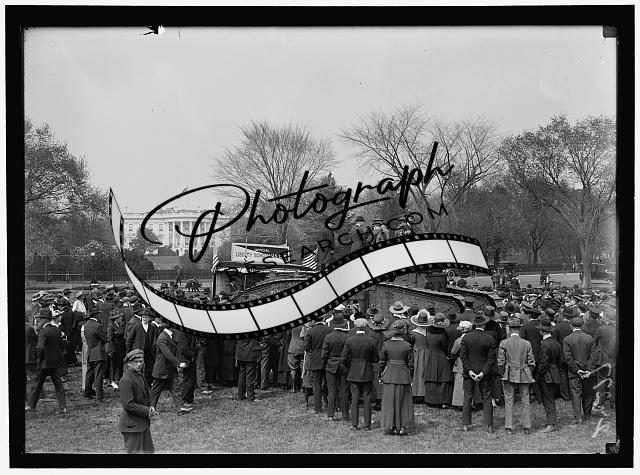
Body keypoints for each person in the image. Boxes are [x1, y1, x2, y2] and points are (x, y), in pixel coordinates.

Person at [497, 316, 535, 435]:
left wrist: (502, 373)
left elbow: (501, 362)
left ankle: (508, 427)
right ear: (519, 328)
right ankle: (527, 426)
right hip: (524, 373)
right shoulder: (526, 343)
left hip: (508, 373)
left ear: (509, 328)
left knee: (509, 400)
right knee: (525, 400)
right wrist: (528, 372)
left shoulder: (504, 343)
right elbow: (531, 362)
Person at [25, 309, 67, 414]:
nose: (38, 321)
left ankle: (31, 405)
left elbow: (40, 347)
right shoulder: (56, 330)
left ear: (44, 320)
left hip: (45, 363)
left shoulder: (43, 331)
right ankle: (63, 407)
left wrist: (39, 359)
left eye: (40, 319)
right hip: (56, 362)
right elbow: (62, 344)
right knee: (58, 385)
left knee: (37, 384)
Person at [460, 314, 496, 433]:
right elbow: (491, 359)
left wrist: (469, 371)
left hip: (469, 371)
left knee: (467, 397)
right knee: (487, 397)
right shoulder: (489, 339)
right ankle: (489, 425)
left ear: (475, 324)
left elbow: (463, 357)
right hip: (484, 372)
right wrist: (483, 373)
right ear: (484, 324)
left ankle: (465, 424)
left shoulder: (466, 338)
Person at [341, 318, 379, 430]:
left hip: (353, 372)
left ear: (355, 327)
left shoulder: (349, 340)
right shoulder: (371, 341)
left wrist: (351, 364)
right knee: (367, 398)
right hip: (367, 371)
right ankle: (367, 425)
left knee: (355, 399)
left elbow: (343, 358)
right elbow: (376, 359)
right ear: (366, 327)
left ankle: (354, 424)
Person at [150, 320, 193, 415]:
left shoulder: (168, 336)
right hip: (162, 369)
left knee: (175, 388)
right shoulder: (162, 338)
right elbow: (167, 354)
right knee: (156, 390)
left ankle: (179, 408)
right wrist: (178, 363)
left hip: (169, 368)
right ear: (171, 328)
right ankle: (151, 408)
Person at [379, 320, 415, 435]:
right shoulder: (407, 345)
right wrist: (411, 376)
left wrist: (380, 375)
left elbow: (382, 362)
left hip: (390, 375)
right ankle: (402, 426)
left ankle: (393, 425)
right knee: (404, 402)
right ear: (403, 332)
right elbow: (411, 364)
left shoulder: (386, 344)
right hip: (404, 375)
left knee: (390, 402)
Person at [118, 349, 155, 453]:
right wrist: (146, 410)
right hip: (132, 426)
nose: (139, 364)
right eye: (136, 362)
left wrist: (150, 405)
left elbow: (145, 394)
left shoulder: (139, 375)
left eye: (141, 361)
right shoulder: (126, 380)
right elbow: (128, 405)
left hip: (142, 424)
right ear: (128, 364)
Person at [562, 317, 595, 424]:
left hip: (574, 372)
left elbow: (568, 358)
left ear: (571, 326)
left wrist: (576, 370)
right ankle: (587, 415)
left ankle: (577, 418)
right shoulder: (589, 338)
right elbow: (594, 355)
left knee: (576, 394)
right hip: (587, 371)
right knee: (588, 393)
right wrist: (589, 369)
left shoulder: (567, 339)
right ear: (582, 325)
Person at [536, 316, 563, 433]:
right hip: (555, 372)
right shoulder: (556, 343)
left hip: (546, 375)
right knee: (550, 398)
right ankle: (551, 421)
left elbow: (543, 362)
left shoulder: (545, 344)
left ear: (542, 331)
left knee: (548, 400)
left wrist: (540, 373)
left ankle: (551, 423)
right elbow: (560, 360)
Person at [321, 318, 350, 421]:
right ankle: (345, 414)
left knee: (331, 391)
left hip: (331, 365)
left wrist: (325, 364)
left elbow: (324, 354)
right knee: (344, 391)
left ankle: (331, 414)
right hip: (343, 365)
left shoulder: (328, 337)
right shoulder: (347, 337)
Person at [423, 312, 454, 407]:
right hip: (440, 356)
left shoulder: (428, 331)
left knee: (431, 377)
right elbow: (445, 347)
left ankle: (430, 399)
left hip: (430, 356)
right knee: (443, 377)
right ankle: (441, 400)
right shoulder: (443, 334)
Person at [304, 316, 332, 413]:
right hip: (328, 359)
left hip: (315, 359)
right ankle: (329, 404)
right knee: (329, 383)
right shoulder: (329, 330)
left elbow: (306, 347)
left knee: (317, 385)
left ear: (314, 320)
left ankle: (318, 407)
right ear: (323, 319)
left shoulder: (311, 331)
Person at [83, 308, 107, 401]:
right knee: (98, 375)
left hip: (90, 352)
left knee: (89, 374)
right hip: (98, 353)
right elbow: (105, 339)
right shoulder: (97, 326)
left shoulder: (86, 325)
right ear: (96, 315)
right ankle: (99, 395)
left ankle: (87, 393)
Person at [552, 307, 573, 401]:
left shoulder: (557, 327)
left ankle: (565, 395)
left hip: (561, 355)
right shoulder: (573, 326)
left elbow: (555, 343)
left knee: (563, 374)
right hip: (572, 354)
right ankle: (573, 394)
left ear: (563, 315)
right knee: (572, 374)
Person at [409, 309, 429, 401]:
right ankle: (424, 393)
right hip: (427, 354)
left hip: (417, 355)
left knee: (417, 372)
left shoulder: (413, 333)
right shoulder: (429, 332)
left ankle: (417, 393)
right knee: (425, 372)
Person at [235, 335, 261, 402]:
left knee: (242, 374)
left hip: (241, 351)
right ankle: (250, 396)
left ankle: (240, 395)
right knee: (250, 375)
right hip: (251, 351)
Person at [107, 310, 126, 389]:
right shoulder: (111, 326)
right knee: (113, 365)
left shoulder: (119, 325)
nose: (121, 318)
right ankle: (112, 380)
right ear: (116, 318)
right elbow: (110, 339)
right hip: (114, 347)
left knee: (119, 364)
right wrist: (112, 350)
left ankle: (118, 379)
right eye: (119, 317)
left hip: (120, 347)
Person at [25, 313, 39, 403]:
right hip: (29, 355)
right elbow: (36, 338)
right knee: (34, 376)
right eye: (28, 316)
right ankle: (38, 394)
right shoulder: (29, 328)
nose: (29, 318)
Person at [287, 324, 305, 393]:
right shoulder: (305, 326)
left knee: (293, 368)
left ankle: (293, 388)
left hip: (293, 348)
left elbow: (287, 336)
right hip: (302, 348)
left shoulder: (292, 326)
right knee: (303, 369)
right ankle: (302, 388)